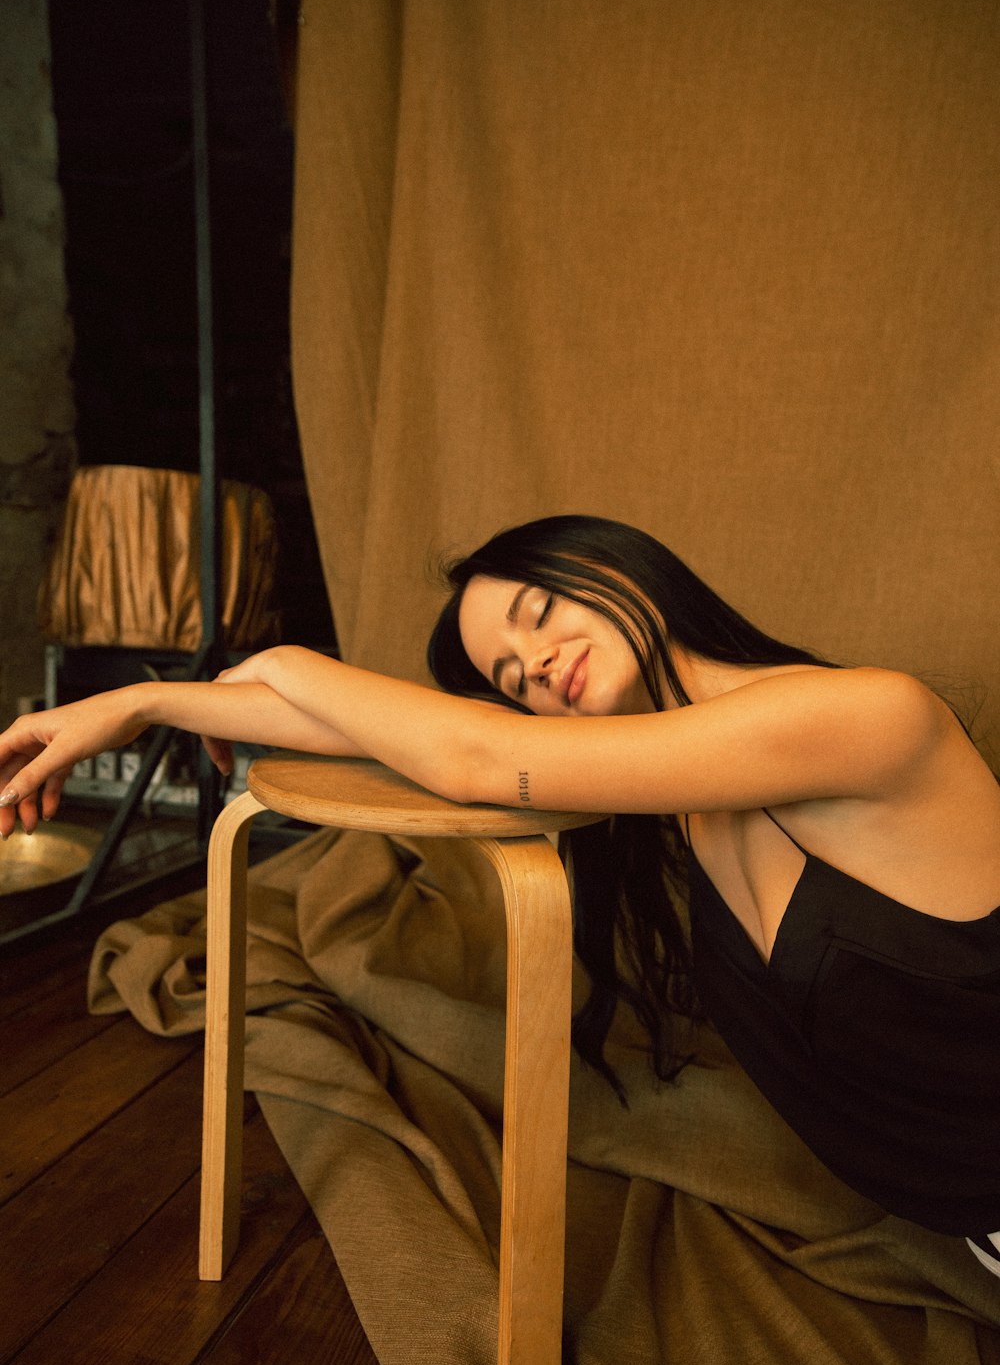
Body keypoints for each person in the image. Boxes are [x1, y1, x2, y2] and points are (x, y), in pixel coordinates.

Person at [2, 513, 999, 1270]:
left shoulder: (869, 717)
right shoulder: (673, 781)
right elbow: (416, 737)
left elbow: (477, 756)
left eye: (538, 614)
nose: (539, 666)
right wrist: (145, 702)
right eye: (512, 675)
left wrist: (285, 660)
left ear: (613, 566)